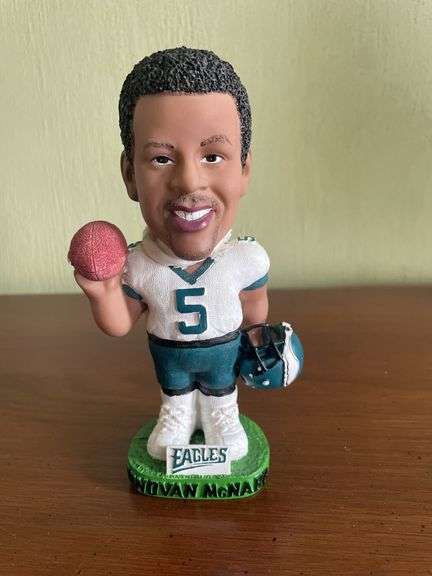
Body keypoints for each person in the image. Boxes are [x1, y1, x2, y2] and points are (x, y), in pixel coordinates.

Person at [74, 47, 269, 461]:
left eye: (212, 156)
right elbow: (119, 324)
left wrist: (259, 337)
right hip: (170, 362)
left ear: (244, 170)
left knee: (220, 397)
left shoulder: (246, 259)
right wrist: (103, 292)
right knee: (176, 399)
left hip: (222, 356)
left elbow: (255, 309)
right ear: (130, 175)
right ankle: (177, 415)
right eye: (161, 159)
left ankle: (221, 415)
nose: (189, 181)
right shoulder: (139, 265)